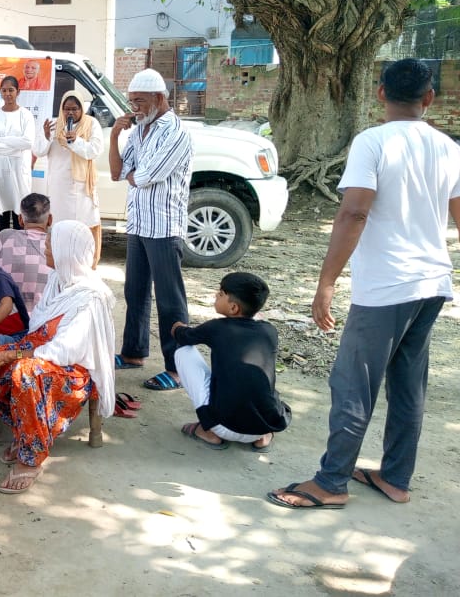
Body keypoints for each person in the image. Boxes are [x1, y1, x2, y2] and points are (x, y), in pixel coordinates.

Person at [268, 59, 460, 511]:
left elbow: (354, 211)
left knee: (353, 383)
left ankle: (331, 482)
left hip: (388, 286)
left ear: (380, 93)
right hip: (432, 282)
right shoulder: (448, 147)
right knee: (408, 385)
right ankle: (395, 478)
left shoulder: (372, 141)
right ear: (429, 98)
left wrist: (326, 282)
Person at [0, 220, 118, 494]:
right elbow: (37, 326)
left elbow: (65, 350)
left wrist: (13, 353)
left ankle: (31, 459)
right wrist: (11, 351)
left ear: (66, 251)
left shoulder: (91, 298)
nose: (45, 251)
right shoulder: (58, 279)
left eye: (50, 246)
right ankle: (25, 432)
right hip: (37, 350)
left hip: (71, 370)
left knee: (24, 373)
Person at [109, 68, 192, 392]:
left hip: (164, 227)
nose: (134, 108)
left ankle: (177, 369)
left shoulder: (176, 132)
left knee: (170, 301)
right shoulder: (139, 131)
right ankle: (133, 353)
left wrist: (136, 173)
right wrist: (115, 136)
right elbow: (119, 172)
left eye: (140, 101)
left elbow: (145, 176)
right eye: (131, 102)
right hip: (139, 223)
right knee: (135, 292)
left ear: (159, 98)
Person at [171, 272, 288, 451]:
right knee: (262, 384)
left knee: (183, 353)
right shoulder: (270, 331)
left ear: (233, 308)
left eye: (220, 294)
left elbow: (183, 337)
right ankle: (263, 437)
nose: (215, 295)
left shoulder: (216, 327)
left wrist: (177, 327)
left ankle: (209, 433)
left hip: (223, 426)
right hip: (264, 425)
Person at [32, 89, 104, 267]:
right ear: (62, 109)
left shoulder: (91, 124)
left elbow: (95, 150)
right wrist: (46, 137)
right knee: (60, 227)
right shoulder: (54, 125)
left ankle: (84, 265)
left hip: (82, 188)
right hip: (59, 188)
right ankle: (60, 263)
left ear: (81, 109)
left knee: (83, 227)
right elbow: (38, 151)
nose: (70, 113)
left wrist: (76, 141)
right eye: (67, 109)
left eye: (75, 109)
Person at [0, 76, 35, 232]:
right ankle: (3, 244)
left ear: (18, 92)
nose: (7, 94)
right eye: (4, 90)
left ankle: (19, 245)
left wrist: (2, 140)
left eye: (11, 90)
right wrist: (16, 148)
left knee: (20, 210)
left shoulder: (25, 115)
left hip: (19, 170)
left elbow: (28, 142)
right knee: (2, 212)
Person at [0, 192, 53, 313]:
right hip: (43, 317)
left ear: (20, 219)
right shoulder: (55, 243)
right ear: (50, 220)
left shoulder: (4, 237)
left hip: (5, 316)